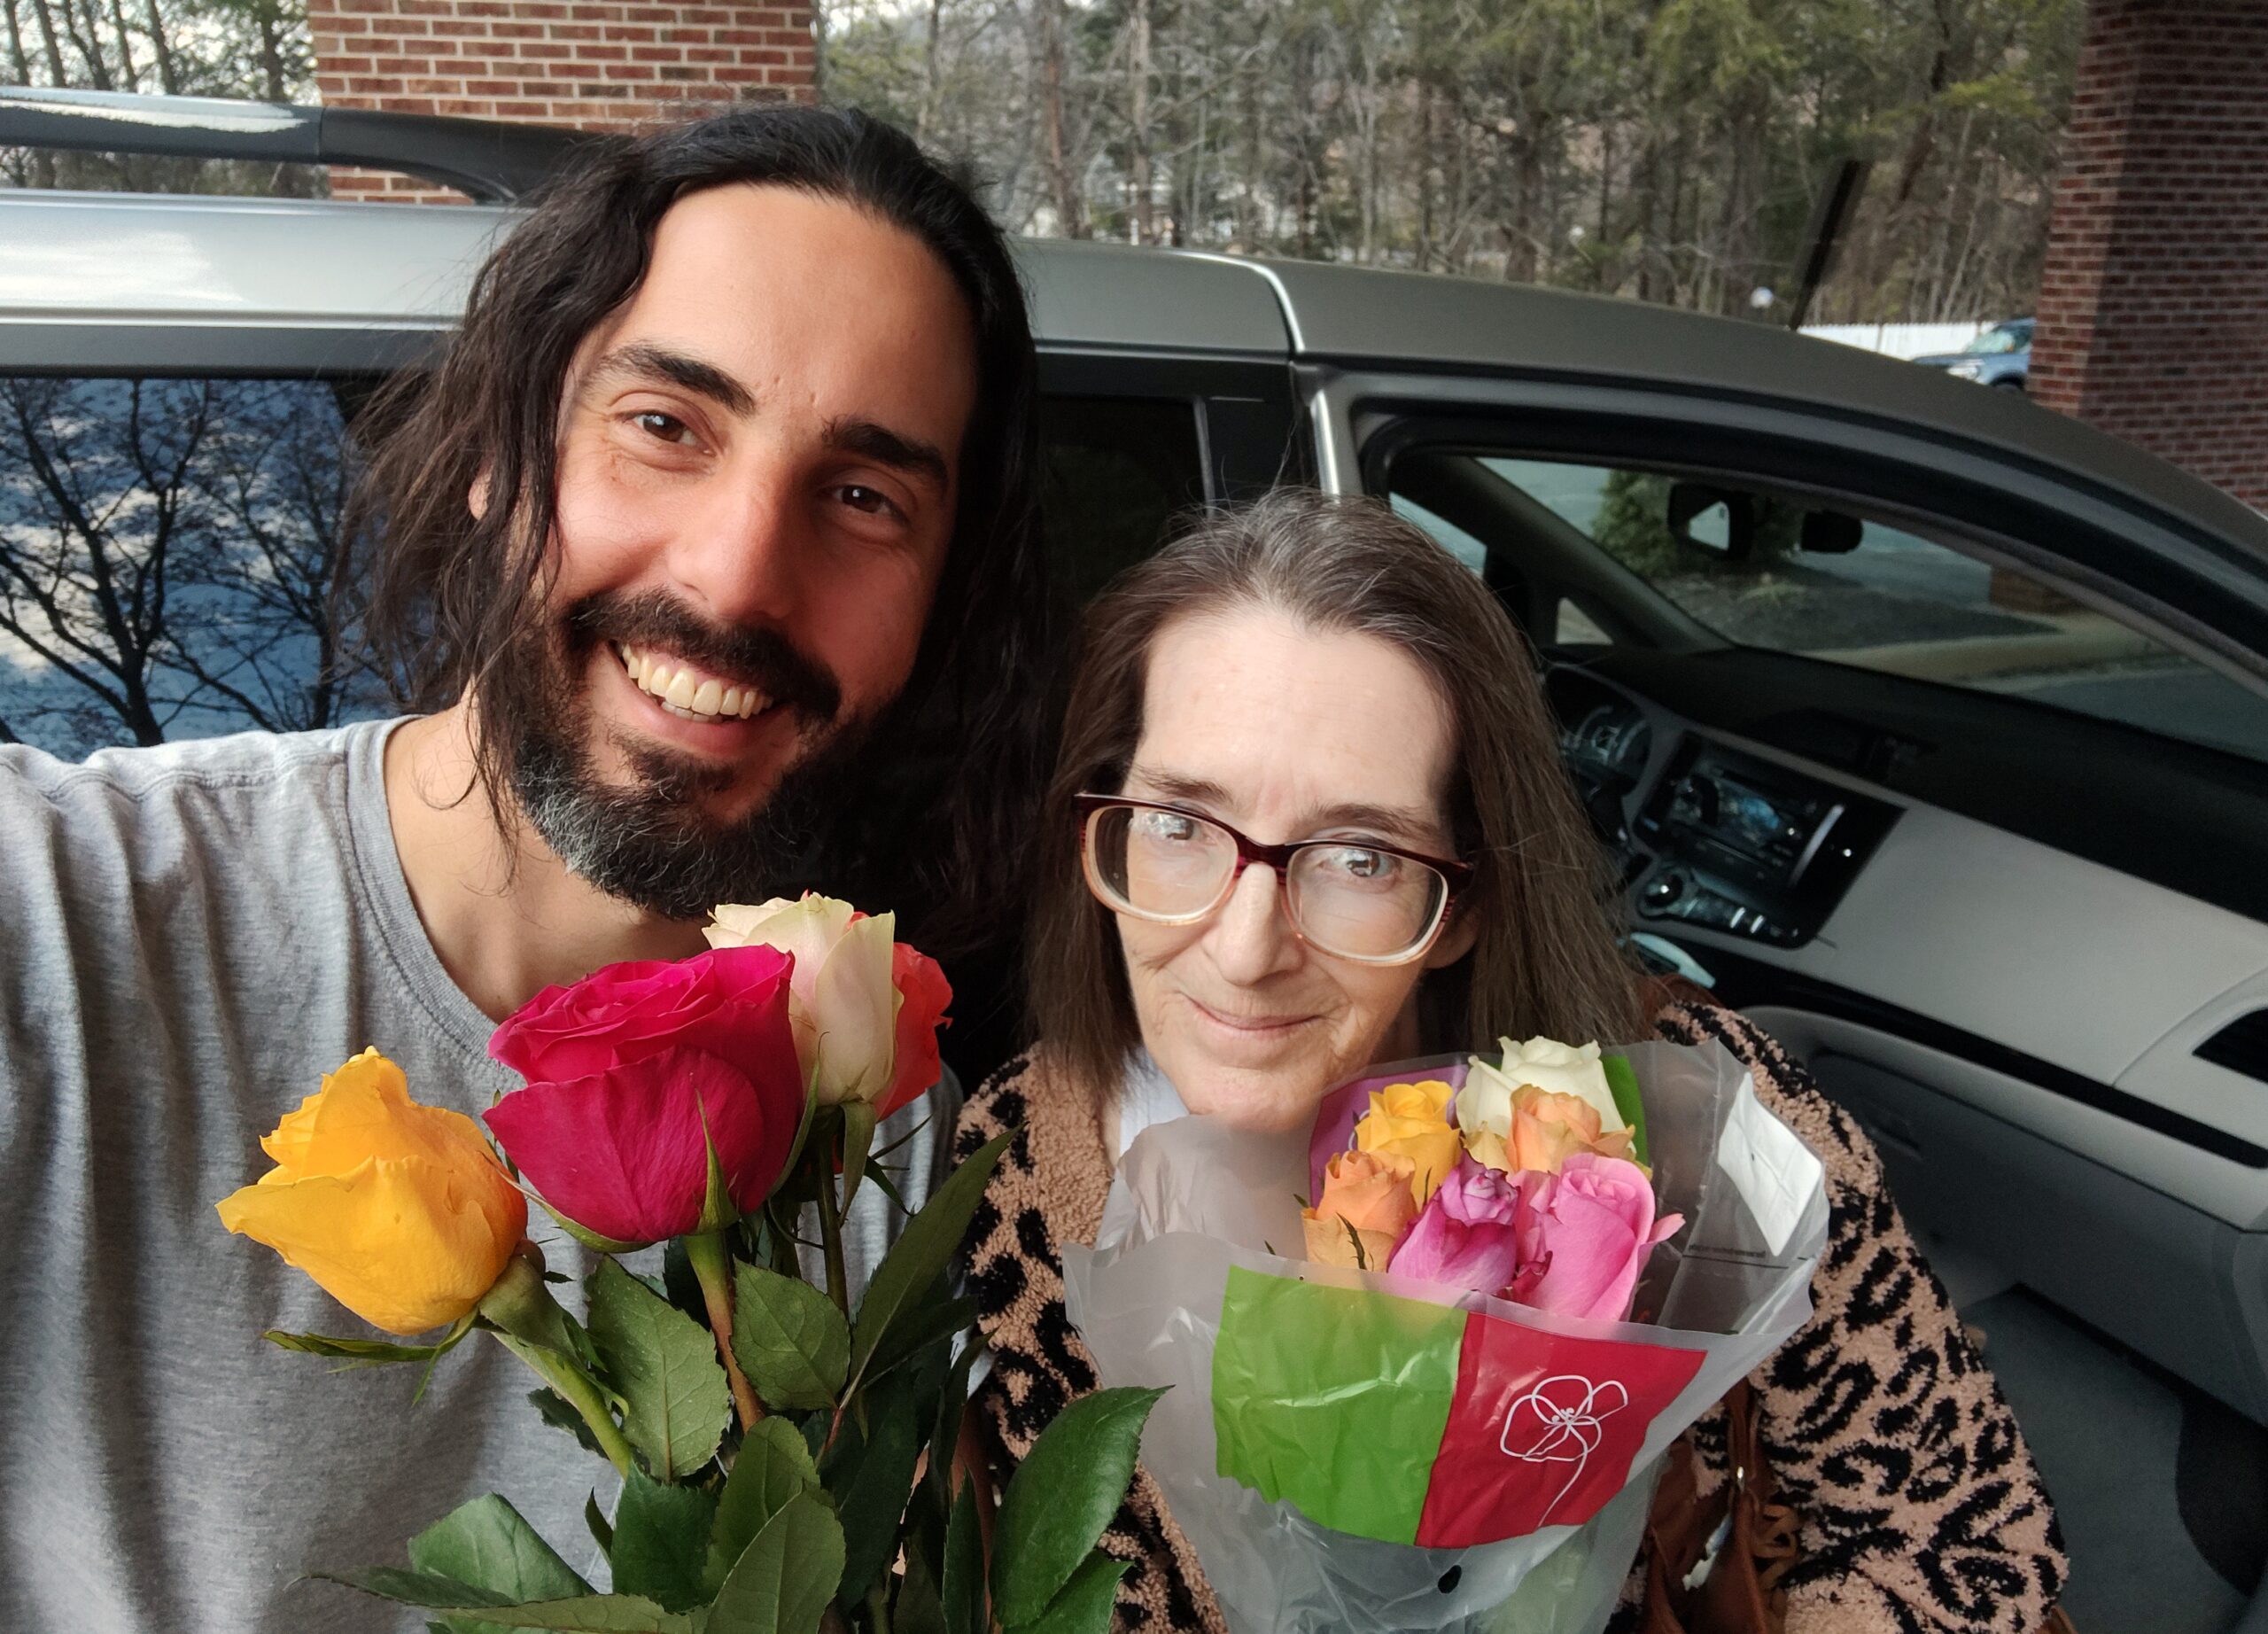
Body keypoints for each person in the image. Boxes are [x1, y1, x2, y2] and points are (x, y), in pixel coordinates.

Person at [0, 105, 1047, 1633]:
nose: (738, 571)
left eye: (863, 497)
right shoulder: (62, 914)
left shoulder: (860, 1091)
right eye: (665, 425)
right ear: (505, 450)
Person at [957, 490, 2067, 1634]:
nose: (1243, 951)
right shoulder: (1006, 1182)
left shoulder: (1691, 1121)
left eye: (1357, 854)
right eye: (1181, 824)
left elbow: (1968, 1537)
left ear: (1470, 900)